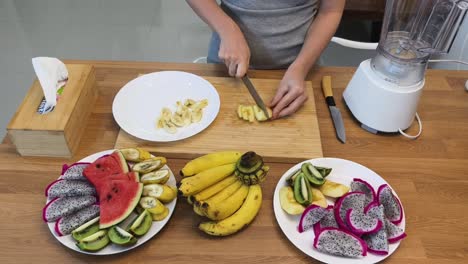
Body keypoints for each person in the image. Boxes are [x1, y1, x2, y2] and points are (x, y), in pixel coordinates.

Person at [186, 0, 345, 119]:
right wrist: (227, 29)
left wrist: (300, 68)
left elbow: (330, 11)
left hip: (301, 69)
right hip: (228, 66)